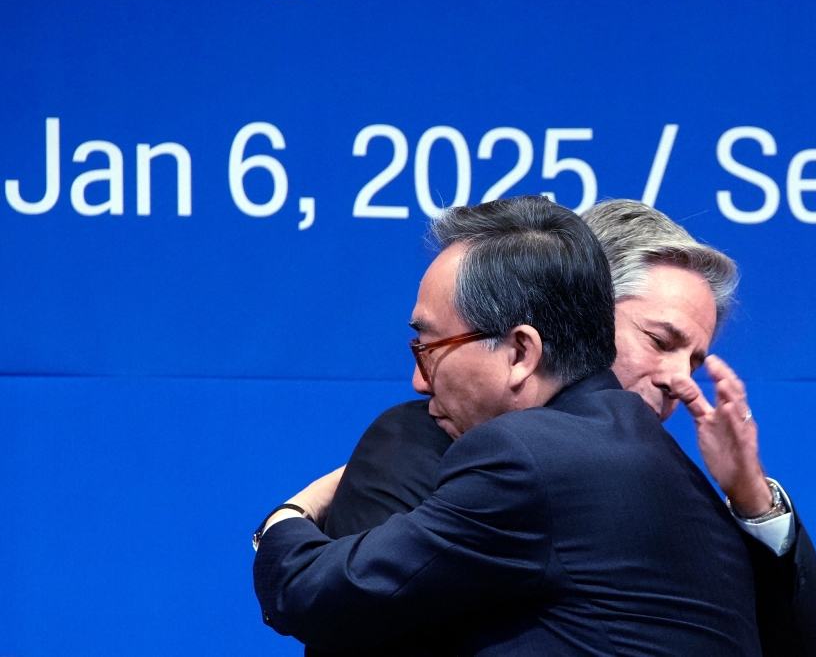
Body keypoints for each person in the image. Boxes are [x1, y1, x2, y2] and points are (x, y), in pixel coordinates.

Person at [253, 196, 762, 656]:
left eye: (431, 349)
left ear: (521, 352)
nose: (418, 381)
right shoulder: (678, 474)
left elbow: (314, 596)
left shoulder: (525, 455)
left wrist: (290, 515)